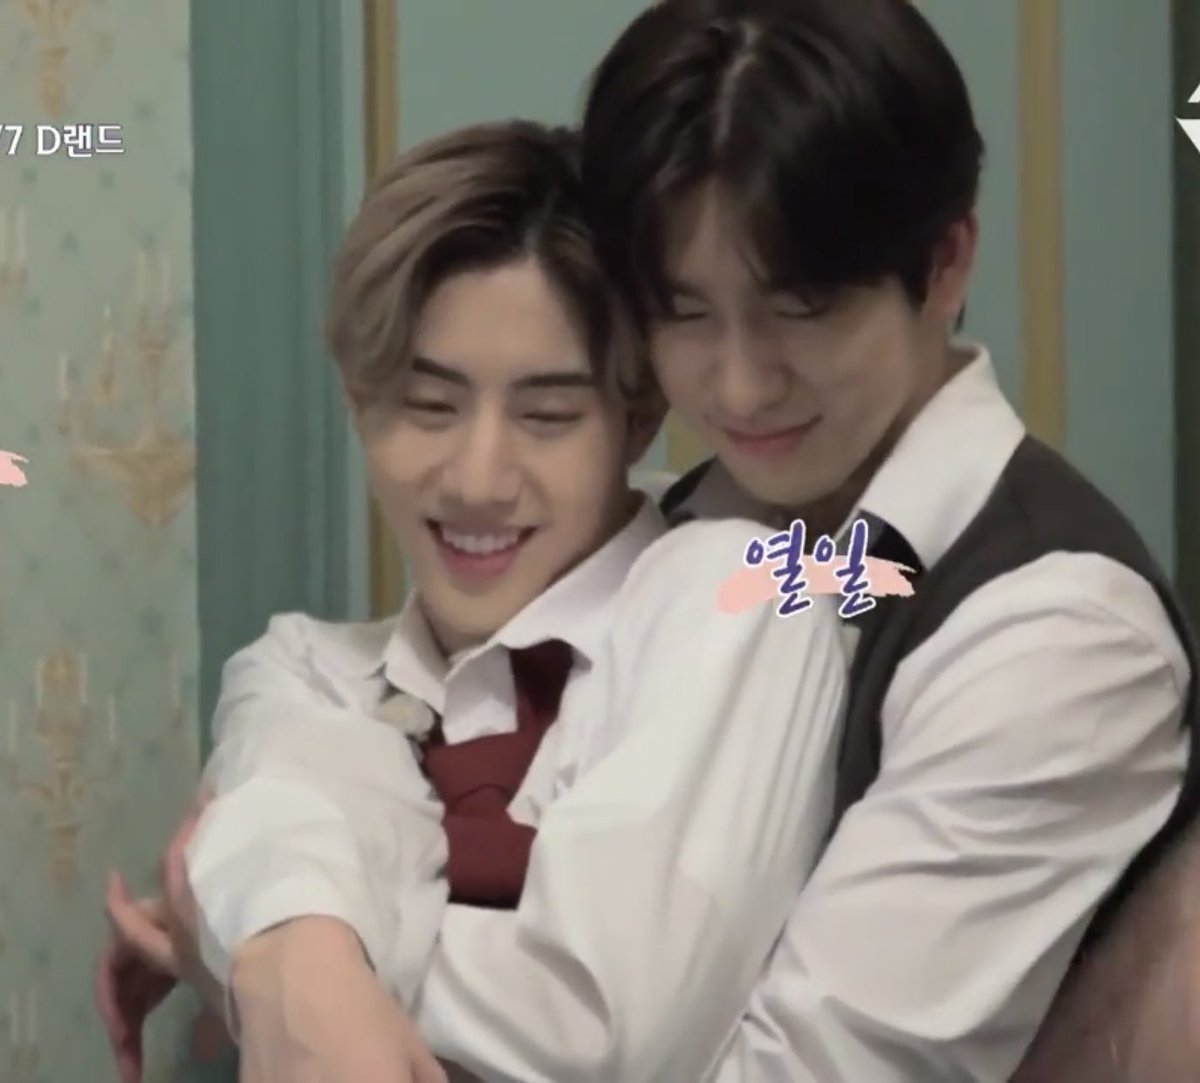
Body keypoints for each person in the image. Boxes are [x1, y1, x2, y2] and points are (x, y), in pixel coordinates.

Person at [109, 0, 1200, 1079]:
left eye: (801, 308)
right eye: (684, 311)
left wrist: (271, 966)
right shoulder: (678, 529)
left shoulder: (1052, 634)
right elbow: (337, 716)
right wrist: (294, 938)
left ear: (946, 261)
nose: (738, 385)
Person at [97, 119, 852, 1083]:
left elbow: (601, 1035)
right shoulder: (308, 672)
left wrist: (250, 959)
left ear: (638, 416)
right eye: (430, 405)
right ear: (358, 399)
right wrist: (287, 951)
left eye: (546, 414)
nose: (478, 479)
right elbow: (292, 818)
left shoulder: (741, 594)